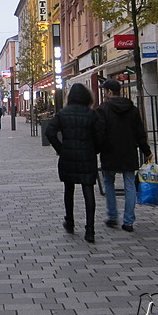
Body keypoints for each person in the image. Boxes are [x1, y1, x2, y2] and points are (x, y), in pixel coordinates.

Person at [45, 83, 105, 243]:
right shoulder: (92, 114)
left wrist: (60, 148)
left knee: (69, 190)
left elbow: (49, 132)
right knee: (88, 191)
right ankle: (90, 230)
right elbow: (100, 136)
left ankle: (70, 221)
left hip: (68, 156)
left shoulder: (63, 113)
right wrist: (95, 150)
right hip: (87, 156)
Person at [96, 79, 153, 233]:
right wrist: (146, 151)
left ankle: (113, 216)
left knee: (108, 183)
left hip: (109, 153)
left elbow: (99, 133)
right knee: (129, 185)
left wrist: (95, 149)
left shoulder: (103, 109)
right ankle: (128, 221)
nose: (103, 93)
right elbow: (140, 133)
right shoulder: (132, 109)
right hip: (129, 152)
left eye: (104, 90)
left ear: (109, 92)